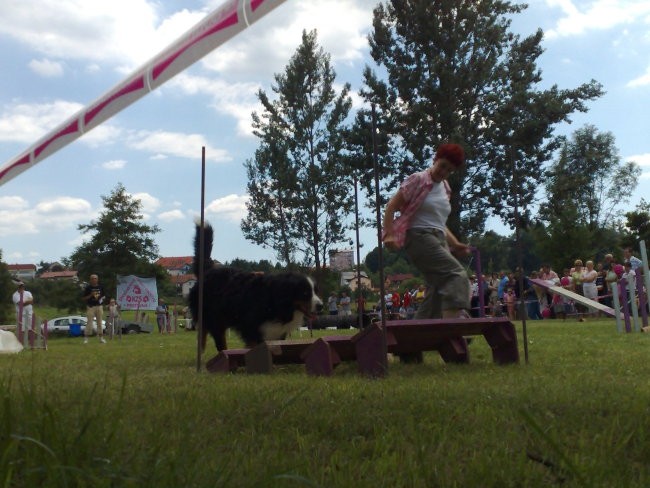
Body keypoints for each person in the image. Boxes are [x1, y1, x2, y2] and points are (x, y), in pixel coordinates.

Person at [382, 143, 471, 320]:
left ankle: (414, 340)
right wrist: (389, 234)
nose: (443, 172)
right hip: (419, 236)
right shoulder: (418, 179)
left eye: (449, 170)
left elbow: (440, 223)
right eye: (442, 165)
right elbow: (391, 205)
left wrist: (455, 244)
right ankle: (454, 323)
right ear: (436, 159)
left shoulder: (446, 189)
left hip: (439, 237)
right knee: (456, 274)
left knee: (437, 288)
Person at [82, 274, 106, 344]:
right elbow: (83, 298)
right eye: (92, 278)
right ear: (90, 280)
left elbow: (104, 296)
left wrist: (102, 299)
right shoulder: (88, 288)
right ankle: (86, 338)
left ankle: (101, 338)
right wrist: (91, 295)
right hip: (90, 307)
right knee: (89, 322)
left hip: (99, 306)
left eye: (95, 278)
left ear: (97, 279)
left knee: (99, 322)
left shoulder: (101, 287)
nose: (94, 280)